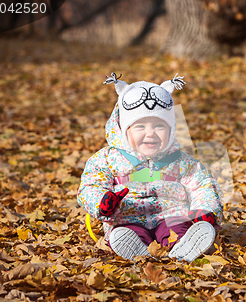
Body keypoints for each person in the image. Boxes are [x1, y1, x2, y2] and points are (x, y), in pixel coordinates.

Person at [77, 73, 224, 262]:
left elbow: (203, 186)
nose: (150, 133)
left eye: (159, 126)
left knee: (177, 228)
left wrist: (205, 210)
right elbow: (90, 186)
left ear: (171, 130)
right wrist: (102, 202)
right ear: (123, 129)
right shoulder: (107, 159)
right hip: (126, 217)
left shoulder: (180, 161)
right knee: (126, 233)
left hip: (171, 215)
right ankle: (134, 248)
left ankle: (184, 246)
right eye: (140, 127)